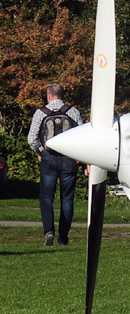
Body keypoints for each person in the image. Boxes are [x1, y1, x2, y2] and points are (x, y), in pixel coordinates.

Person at [28, 84, 83, 247]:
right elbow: (82, 136)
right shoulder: (72, 112)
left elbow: (32, 138)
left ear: (48, 96)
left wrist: (40, 151)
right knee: (67, 199)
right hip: (68, 159)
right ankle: (63, 237)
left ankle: (49, 231)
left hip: (49, 158)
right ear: (62, 95)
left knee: (46, 197)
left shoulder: (41, 113)